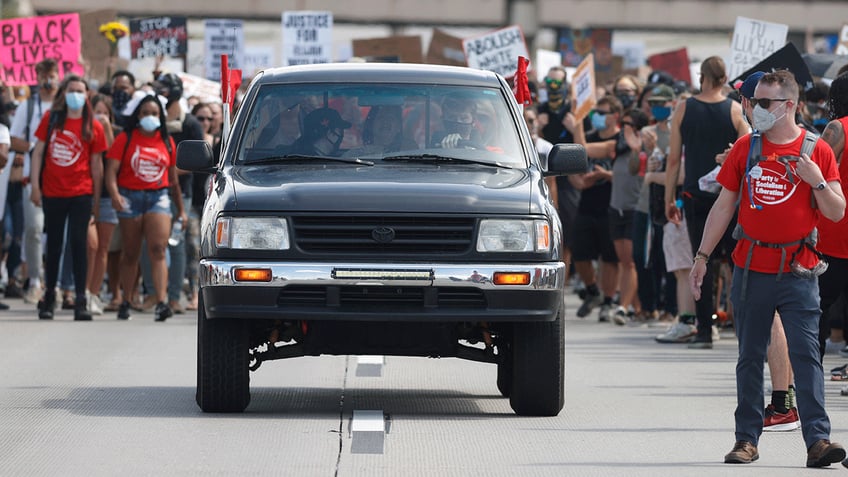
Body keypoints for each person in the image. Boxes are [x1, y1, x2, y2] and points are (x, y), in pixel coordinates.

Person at [690, 70, 845, 467]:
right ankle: (746, 439)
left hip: (799, 271)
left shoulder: (816, 151)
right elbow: (724, 205)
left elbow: (836, 210)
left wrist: (817, 183)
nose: (754, 108)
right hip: (751, 268)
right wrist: (702, 257)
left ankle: (818, 441)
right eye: (753, 101)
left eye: (763, 103)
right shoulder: (746, 147)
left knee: (807, 356)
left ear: (789, 105)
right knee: (749, 356)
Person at [665, 56, 748, 348]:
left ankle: (704, 331)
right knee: (736, 263)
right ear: (724, 79)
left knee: (702, 261)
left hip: (694, 196)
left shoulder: (684, 108)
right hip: (729, 196)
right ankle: (743, 331)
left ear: (701, 76)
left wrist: (668, 199)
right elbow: (748, 152)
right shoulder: (736, 110)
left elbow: (674, 159)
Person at [29, 75, 107, 321]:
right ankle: (50, 295)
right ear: (64, 94)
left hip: (81, 193)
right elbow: (38, 152)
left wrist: (96, 198)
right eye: (71, 90)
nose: (76, 95)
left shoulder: (93, 125)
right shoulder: (51, 119)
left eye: (80, 90)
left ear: (87, 95)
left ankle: (80, 299)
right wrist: (34, 187)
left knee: (78, 244)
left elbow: (97, 164)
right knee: (53, 246)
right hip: (53, 192)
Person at [105, 94, 186, 322]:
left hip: (157, 197)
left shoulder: (166, 141)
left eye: (154, 114)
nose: (149, 117)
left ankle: (161, 301)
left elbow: (173, 180)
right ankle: (126, 300)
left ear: (160, 116)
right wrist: (114, 194)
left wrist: (181, 210)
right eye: (145, 113)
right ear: (137, 116)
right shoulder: (125, 138)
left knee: (158, 249)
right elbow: (111, 171)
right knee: (130, 253)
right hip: (129, 198)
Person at [564, 96, 622, 321]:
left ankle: (608, 300)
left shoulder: (620, 140)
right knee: (580, 253)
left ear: (615, 116)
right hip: (587, 205)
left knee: (610, 259)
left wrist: (577, 120)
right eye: (595, 111)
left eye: (602, 112)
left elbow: (585, 150)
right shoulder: (588, 137)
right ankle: (592, 291)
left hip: (611, 206)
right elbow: (575, 169)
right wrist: (578, 182)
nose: (597, 115)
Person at [9, 58, 59, 305]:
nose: (48, 80)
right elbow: (13, 140)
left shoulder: (64, 108)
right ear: (37, 77)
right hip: (34, 181)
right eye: (43, 75)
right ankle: (35, 282)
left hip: (62, 182)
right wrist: (38, 147)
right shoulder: (27, 107)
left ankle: (58, 284)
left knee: (60, 234)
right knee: (35, 230)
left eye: (52, 74)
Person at [818, 73, 848, 362]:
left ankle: (806, 375)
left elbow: (817, 170)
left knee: (817, 307)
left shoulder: (838, 128)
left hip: (836, 232)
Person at [85, 94, 117, 316]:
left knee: (103, 247)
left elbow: (115, 159)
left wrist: (107, 130)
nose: (102, 117)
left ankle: (94, 293)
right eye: (97, 112)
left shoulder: (115, 134)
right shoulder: (84, 131)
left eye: (105, 113)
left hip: (107, 198)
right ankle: (83, 292)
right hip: (86, 195)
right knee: (90, 246)